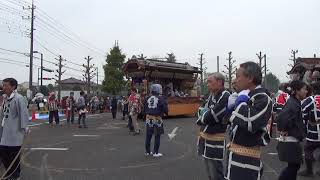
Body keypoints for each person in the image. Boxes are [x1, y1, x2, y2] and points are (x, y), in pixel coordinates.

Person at [225, 62, 272, 180]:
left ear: (250, 78)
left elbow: (250, 122)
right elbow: (228, 121)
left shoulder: (263, 97)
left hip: (247, 161)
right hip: (234, 155)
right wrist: (229, 109)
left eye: (237, 76)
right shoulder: (246, 95)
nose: (235, 80)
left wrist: (240, 102)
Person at [196, 73, 230, 180]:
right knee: (209, 172)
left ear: (220, 82)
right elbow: (200, 110)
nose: (208, 84)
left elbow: (213, 116)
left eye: (210, 81)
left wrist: (205, 116)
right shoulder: (210, 95)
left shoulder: (225, 95)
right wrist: (205, 115)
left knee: (216, 173)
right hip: (204, 137)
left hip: (215, 140)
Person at [276, 80, 308, 180]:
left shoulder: (294, 102)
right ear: (297, 91)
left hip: (292, 140)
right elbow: (281, 117)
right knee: (293, 167)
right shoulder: (293, 104)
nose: (306, 91)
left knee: (294, 166)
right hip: (291, 141)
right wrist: (283, 128)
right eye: (304, 89)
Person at [0, 78, 29, 179]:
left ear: (13, 87)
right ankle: (9, 174)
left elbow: (23, 114)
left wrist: (25, 128)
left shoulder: (18, 98)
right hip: (5, 133)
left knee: (14, 158)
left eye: (6, 85)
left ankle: (16, 176)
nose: (4, 87)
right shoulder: (5, 98)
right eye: (3, 85)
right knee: (4, 155)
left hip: (15, 134)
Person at [298, 81, 320, 177]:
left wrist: (304, 130)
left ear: (313, 90)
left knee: (308, 149)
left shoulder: (311, 99)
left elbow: (303, 114)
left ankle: (309, 171)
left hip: (314, 130)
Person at [144, 84, 168, 157]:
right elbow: (165, 108)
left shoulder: (147, 98)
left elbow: (144, 109)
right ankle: (155, 152)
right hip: (157, 119)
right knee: (157, 136)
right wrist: (165, 113)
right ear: (158, 90)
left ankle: (148, 152)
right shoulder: (161, 98)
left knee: (148, 136)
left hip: (149, 118)